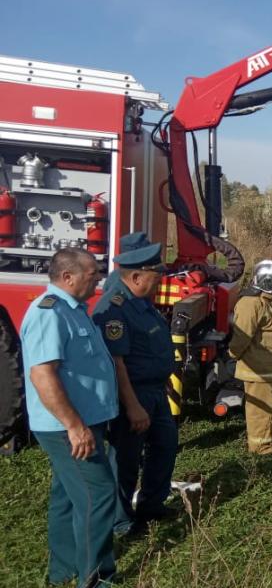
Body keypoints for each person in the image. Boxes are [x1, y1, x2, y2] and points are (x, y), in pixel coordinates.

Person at [20, 248, 118, 586]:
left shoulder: (73, 310)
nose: (98, 281)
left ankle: (63, 569)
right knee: (99, 493)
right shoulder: (49, 314)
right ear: (68, 277)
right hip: (67, 427)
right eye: (92, 275)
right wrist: (75, 426)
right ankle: (95, 578)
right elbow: (43, 375)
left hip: (81, 422)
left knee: (67, 495)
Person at [92, 232, 177, 533]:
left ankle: (151, 506)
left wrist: (164, 378)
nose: (160, 280)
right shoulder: (116, 308)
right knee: (126, 460)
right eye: (156, 276)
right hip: (135, 396)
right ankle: (120, 521)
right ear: (137, 275)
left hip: (154, 391)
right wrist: (133, 406)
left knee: (165, 446)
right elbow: (117, 364)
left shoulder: (139, 299)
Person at [229, 260, 272, 454]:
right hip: (259, 372)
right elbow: (241, 337)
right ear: (267, 282)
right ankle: (262, 449)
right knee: (262, 413)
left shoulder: (267, 302)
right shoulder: (250, 304)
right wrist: (232, 356)